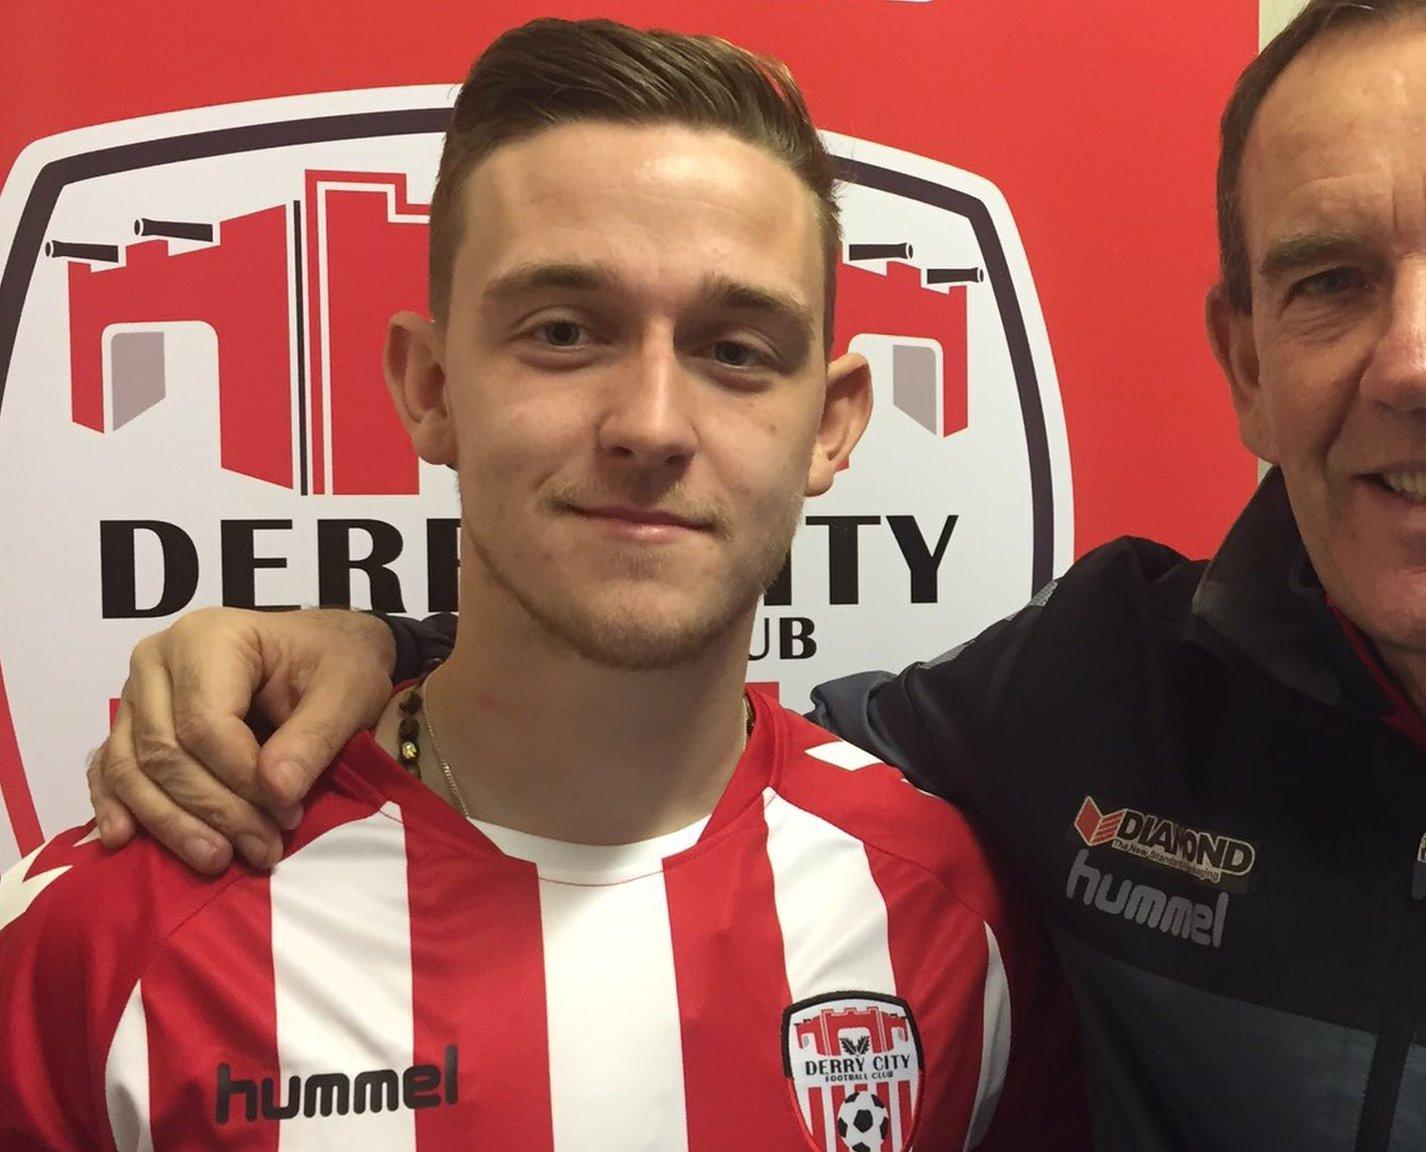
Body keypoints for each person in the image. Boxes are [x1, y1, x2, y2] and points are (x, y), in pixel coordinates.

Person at [74, 0, 1426, 1148]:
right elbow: (648, 703)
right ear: (1243, 358)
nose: (1420, 357)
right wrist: (372, 644)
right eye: (1330, 280)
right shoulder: (1095, 696)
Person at [0, 18, 1086, 1151]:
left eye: (735, 350)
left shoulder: (956, 919)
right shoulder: (114, 933)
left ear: (831, 423)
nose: (652, 425)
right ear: (429, 386)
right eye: (564, 332)